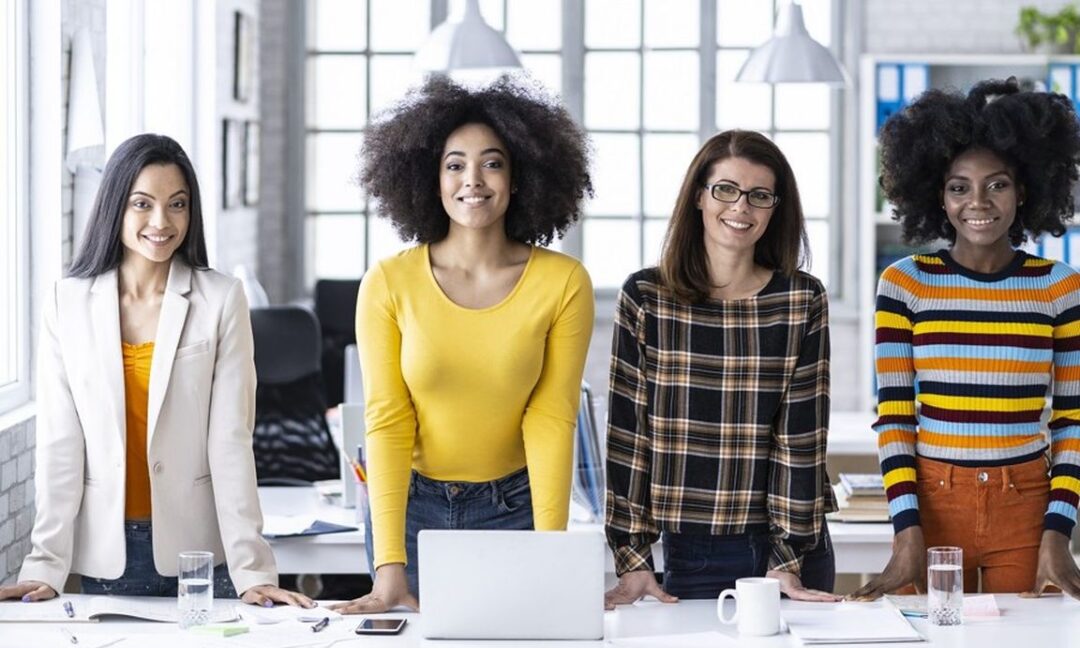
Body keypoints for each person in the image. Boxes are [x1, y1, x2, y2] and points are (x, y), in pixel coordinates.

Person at [0, 134, 311, 607]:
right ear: (115, 207)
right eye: (142, 204)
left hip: (204, 557)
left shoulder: (221, 299)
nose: (161, 222)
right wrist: (46, 564)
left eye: (177, 204)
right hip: (109, 556)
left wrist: (252, 570)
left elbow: (230, 442)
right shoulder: (67, 304)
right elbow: (61, 446)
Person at [332, 76, 595, 614]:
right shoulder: (388, 282)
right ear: (430, 179)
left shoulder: (563, 282)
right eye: (454, 164)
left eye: (492, 163)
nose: (472, 180)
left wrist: (551, 552)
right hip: (409, 510)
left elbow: (551, 417)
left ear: (519, 175)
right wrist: (389, 567)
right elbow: (386, 419)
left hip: (515, 507)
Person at [850, 78, 1080, 600]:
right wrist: (906, 530)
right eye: (959, 187)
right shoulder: (904, 284)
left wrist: (1058, 534)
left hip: (1025, 505)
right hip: (931, 502)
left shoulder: (1060, 287)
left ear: (1024, 190)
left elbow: (1072, 422)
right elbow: (896, 416)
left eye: (997, 184)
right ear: (938, 194)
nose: (978, 201)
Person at [604, 130, 839, 608]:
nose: (741, 207)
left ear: (776, 208)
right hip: (695, 547)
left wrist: (787, 557)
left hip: (789, 547)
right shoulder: (647, 297)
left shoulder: (800, 299)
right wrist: (632, 555)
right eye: (726, 189)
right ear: (698, 196)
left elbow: (802, 437)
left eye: (759, 195)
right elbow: (629, 434)